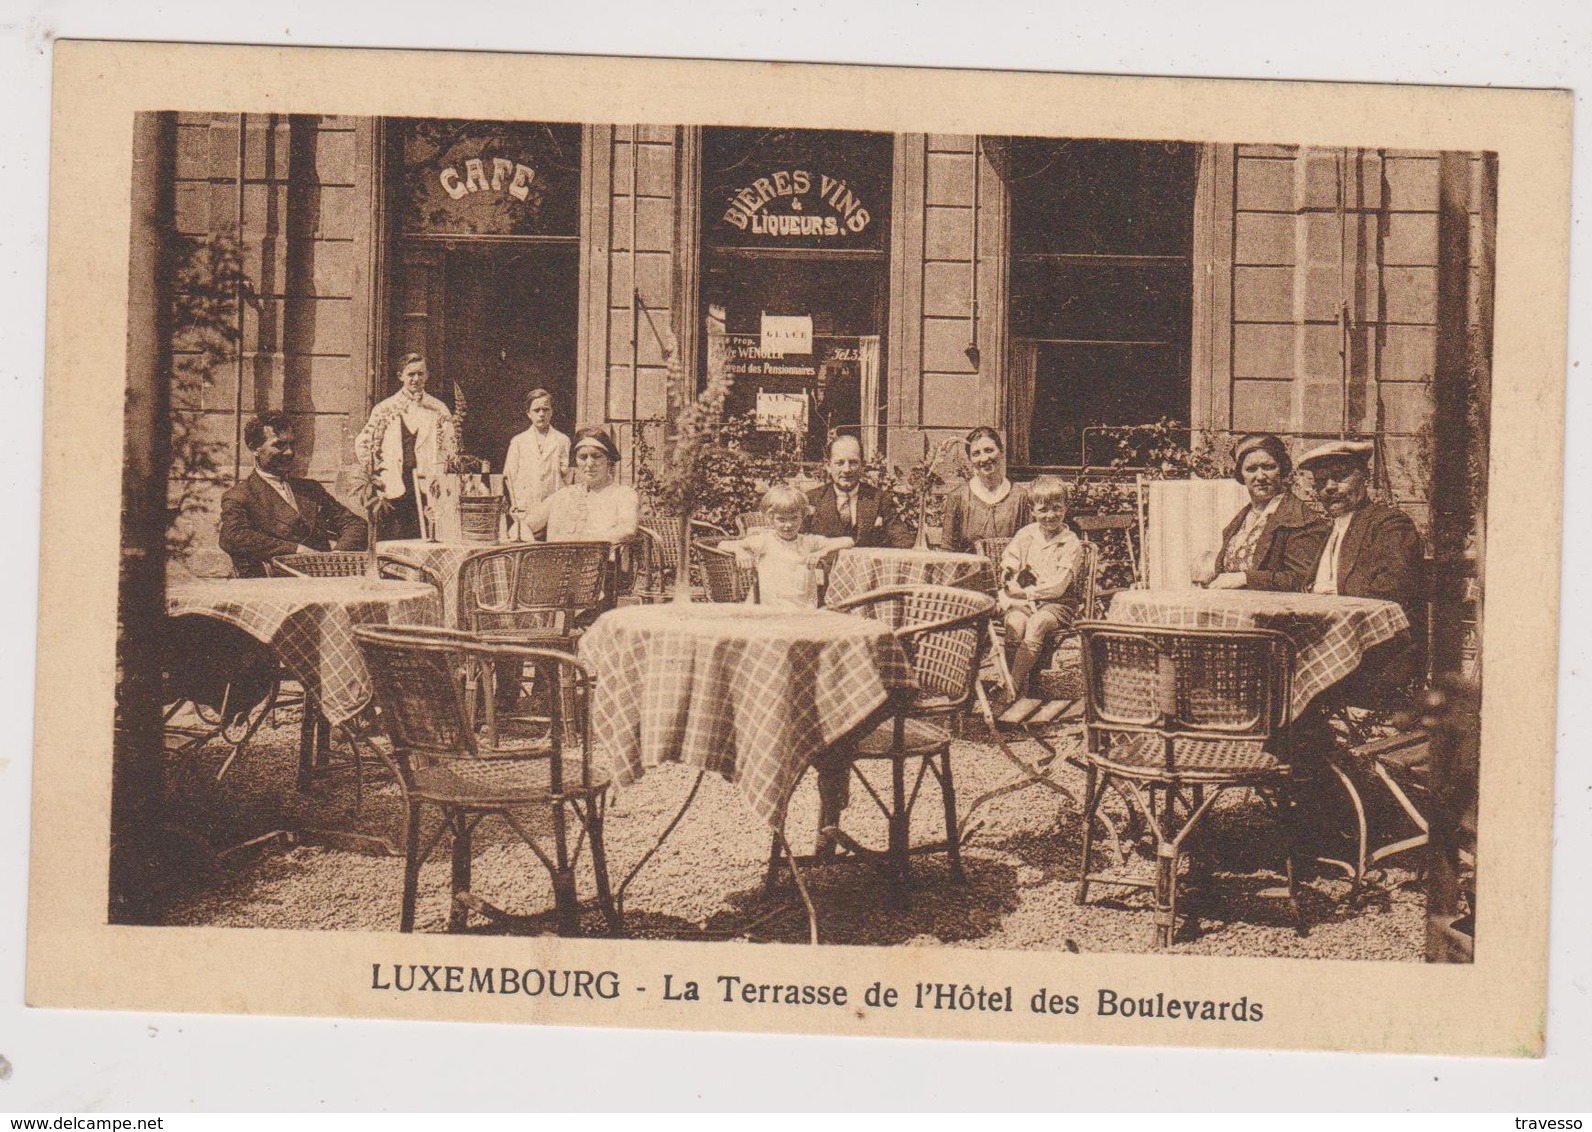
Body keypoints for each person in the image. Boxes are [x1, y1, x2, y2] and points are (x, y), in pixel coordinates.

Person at [1298, 439, 1427, 703]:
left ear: (1365, 477)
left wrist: (1324, 597)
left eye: (1340, 477)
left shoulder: (1389, 524)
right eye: (1321, 481)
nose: (1330, 488)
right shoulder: (1329, 531)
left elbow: (1394, 587)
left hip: (1376, 657)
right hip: (1329, 649)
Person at [219, 411, 367, 578]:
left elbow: (356, 524)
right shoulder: (241, 495)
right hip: (279, 586)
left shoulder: (310, 489)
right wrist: (295, 550)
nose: (289, 452)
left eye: (291, 444)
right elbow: (232, 536)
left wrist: (337, 555)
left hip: (327, 580)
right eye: (279, 445)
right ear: (254, 448)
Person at [1193, 433, 1329, 592]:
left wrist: (1245, 578)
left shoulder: (1300, 519)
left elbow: (1304, 580)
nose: (1261, 476)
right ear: (1241, 475)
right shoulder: (1240, 521)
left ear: (1282, 469)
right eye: (1251, 469)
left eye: (1269, 467)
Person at [353, 353, 459, 540]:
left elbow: (451, 448)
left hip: (427, 485)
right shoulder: (385, 408)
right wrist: (377, 471)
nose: (416, 379)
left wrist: (439, 471)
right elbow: (363, 443)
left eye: (420, 374)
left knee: (426, 535)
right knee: (393, 538)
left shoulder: (438, 409)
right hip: (393, 483)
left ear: (427, 375)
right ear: (400, 375)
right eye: (411, 374)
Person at [999, 476, 1087, 697]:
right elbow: (1011, 558)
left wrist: (1025, 592)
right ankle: (1022, 690)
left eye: (1057, 508)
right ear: (1032, 510)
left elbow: (1058, 586)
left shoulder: (1071, 543)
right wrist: (1008, 571)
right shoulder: (1026, 535)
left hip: (1057, 604)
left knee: (1037, 623)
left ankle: (1012, 687)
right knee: (1015, 624)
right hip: (1024, 602)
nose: (1050, 515)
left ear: (1066, 507)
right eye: (1043, 509)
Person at [718, 484, 854, 608]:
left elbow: (849, 541)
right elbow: (722, 544)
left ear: (803, 516)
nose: (788, 525)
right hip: (770, 610)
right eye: (781, 520)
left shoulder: (808, 542)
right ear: (771, 518)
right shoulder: (765, 541)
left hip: (803, 610)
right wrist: (740, 551)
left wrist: (823, 552)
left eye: (794, 518)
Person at [526, 426, 640, 544]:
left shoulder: (624, 494)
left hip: (602, 561)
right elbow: (525, 526)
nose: (589, 464)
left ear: (609, 460)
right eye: (583, 457)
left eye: (596, 456)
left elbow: (627, 530)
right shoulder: (563, 495)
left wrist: (579, 543)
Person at [804, 433, 911, 548]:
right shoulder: (811, 499)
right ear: (828, 466)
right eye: (839, 463)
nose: (847, 469)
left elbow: (902, 540)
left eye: (853, 462)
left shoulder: (880, 499)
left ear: (863, 465)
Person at [939, 426, 1031, 553]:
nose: (984, 458)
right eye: (976, 453)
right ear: (970, 460)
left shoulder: (1020, 497)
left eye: (989, 450)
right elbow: (948, 549)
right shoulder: (958, 497)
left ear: (1001, 452)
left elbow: (1030, 546)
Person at [502, 387, 570, 541]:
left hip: (554, 511)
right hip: (526, 510)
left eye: (545, 409)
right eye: (536, 410)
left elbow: (566, 476)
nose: (541, 414)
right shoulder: (519, 441)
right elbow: (509, 476)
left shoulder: (562, 440)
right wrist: (515, 504)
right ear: (528, 413)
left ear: (551, 412)